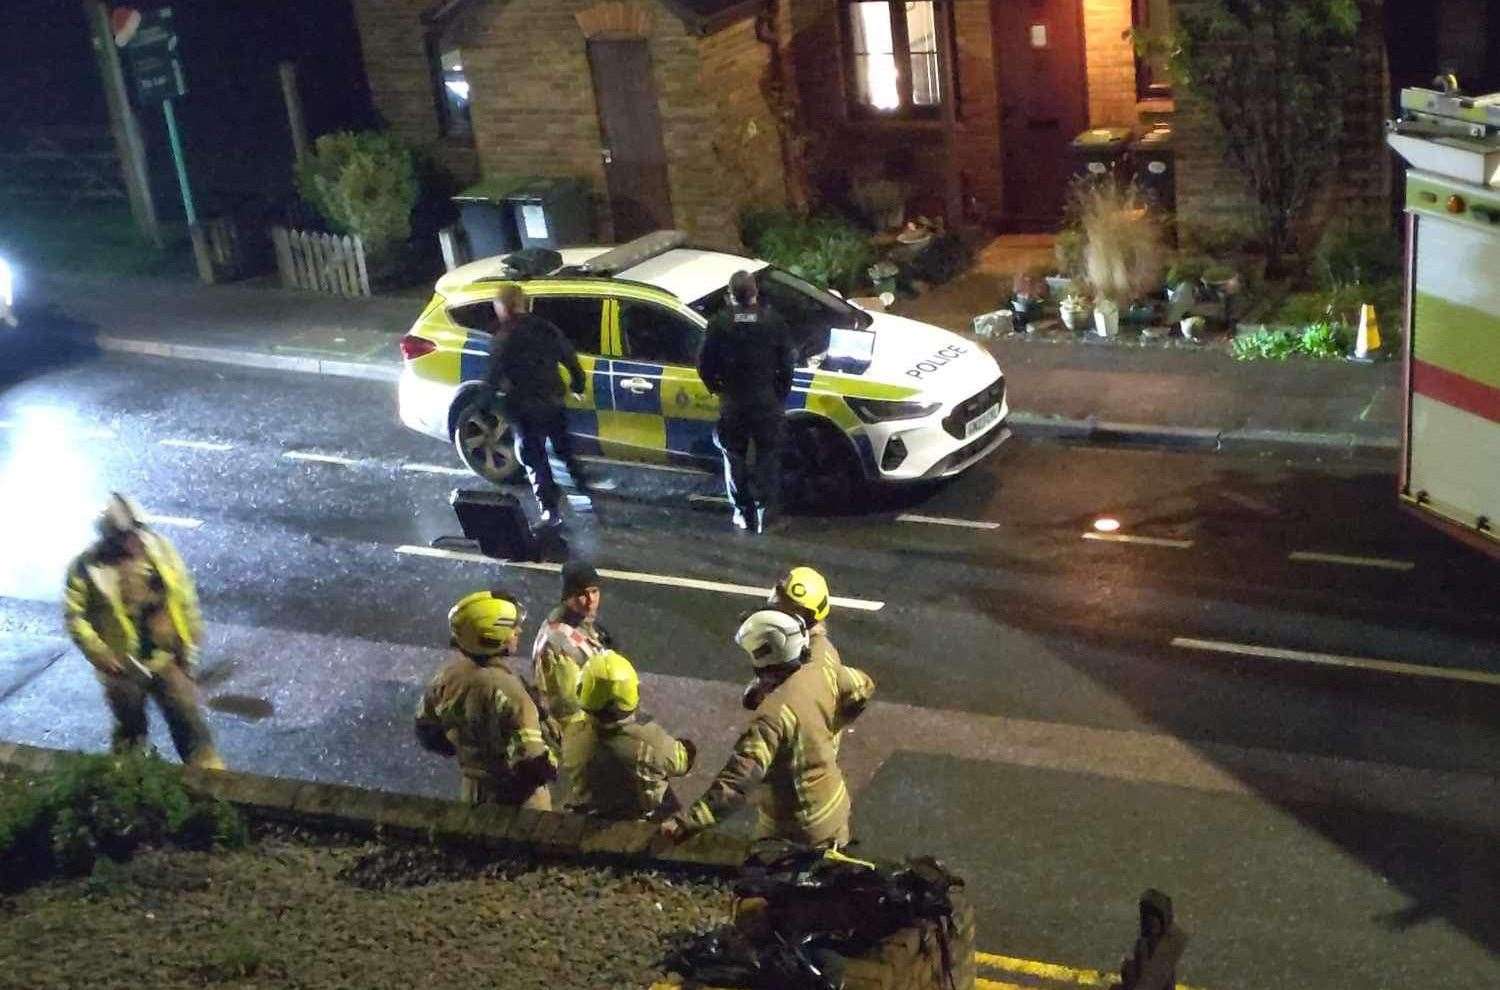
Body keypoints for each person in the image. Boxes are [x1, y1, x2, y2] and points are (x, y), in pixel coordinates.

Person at [660, 608, 875, 849]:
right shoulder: (821, 660)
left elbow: (738, 781)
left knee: (772, 876)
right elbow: (862, 686)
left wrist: (687, 823)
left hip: (796, 827)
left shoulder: (772, 717)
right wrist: (827, 729)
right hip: (834, 805)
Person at [63, 493, 224, 769]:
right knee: (131, 730)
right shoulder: (87, 567)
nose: (134, 540)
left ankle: (210, 782)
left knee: (189, 721)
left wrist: (190, 637)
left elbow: (183, 593)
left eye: (136, 531)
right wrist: (99, 653)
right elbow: (75, 616)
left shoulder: (159, 548)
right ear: (109, 537)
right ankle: (129, 782)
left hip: (166, 658)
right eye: (125, 535)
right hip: (122, 666)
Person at [415, 590, 556, 809]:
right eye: (511, 628)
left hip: (472, 790)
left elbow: (428, 733)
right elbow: (532, 764)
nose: (518, 631)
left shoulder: (447, 677)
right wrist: (550, 764)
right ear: (492, 635)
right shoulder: (511, 693)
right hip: (519, 803)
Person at [484, 283, 594, 527]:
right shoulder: (545, 328)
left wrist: (488, 405)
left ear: (503, 307)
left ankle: (550, 511)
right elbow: (569, 356)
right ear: (523, 303)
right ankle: (584, 495)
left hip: (523, 407)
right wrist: (577, 384)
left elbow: (492, 376)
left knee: (534, 458)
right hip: (553, 401)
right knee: (564, 450)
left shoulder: (504, 336)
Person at [697, 270, 796, 534]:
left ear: (730, 295)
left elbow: (704, 364)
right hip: (766, 401)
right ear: (755, 292)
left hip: (733, 402)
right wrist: (779, 393)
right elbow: (787, 363)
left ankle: (744, 513)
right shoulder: (773, 321)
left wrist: (717, 389)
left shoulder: (719, 323)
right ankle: (767, 516)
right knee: (768, 457)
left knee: (734, 458)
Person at [562, 650, 696, 820]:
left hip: (594, 808)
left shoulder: (573, 730)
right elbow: (681, 762)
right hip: (637, 816)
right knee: (670, 808)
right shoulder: (647, 741)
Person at [531, 559, 610, 729]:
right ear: (568, 597)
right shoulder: (558, 645)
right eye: (582, 594)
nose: (591, 600)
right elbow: (567, 708)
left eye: (595, 591)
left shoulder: (582, 621)